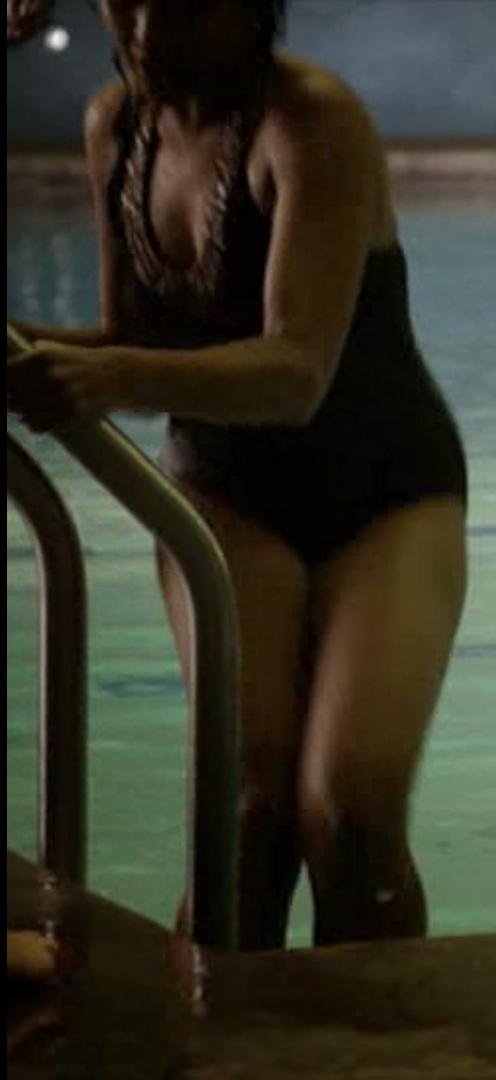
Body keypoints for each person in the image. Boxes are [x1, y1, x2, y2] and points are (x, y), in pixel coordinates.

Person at [7, 0, 466, 948]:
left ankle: (380, 1027)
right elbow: (135, 338)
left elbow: (295, 374)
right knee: (249, 819)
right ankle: (216, 1022)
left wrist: (109, 377)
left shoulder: (311, 120)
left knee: (348, 814)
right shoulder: (116, 125)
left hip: (385, 495)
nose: (146, 27)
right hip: (224, 487)